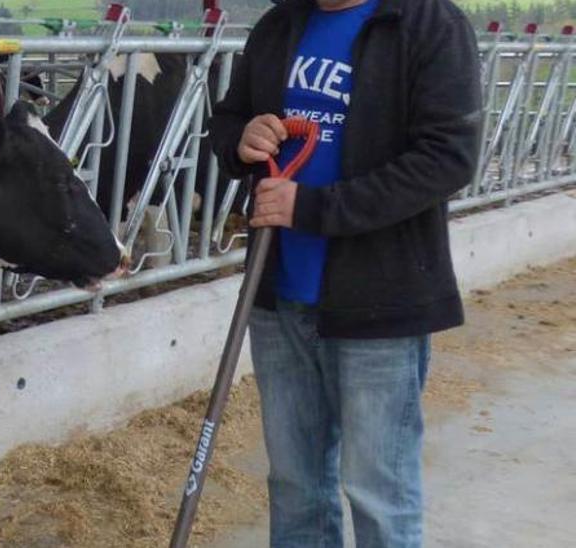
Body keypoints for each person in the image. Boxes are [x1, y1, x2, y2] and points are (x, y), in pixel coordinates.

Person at [207, 0, 483, 545]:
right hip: (279, 293)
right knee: (294, 485)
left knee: (378, 493)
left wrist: (310, 209)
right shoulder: (280, 24)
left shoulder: (429, 25)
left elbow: (448, 157)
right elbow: (229, 119)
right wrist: (243, 140)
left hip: (380, 301)